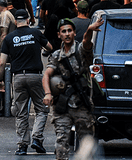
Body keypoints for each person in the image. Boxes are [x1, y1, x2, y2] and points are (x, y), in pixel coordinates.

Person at [42, 17, 103, 160]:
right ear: (59, 35)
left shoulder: (81, 51)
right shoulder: (56, 56)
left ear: (75, 33)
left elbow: (87, 43)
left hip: (82, 105)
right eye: (64, 31)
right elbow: (46, 75)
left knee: (86, 145)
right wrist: (48, 94)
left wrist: (88, 30)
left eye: (70, 30)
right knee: (61, 143)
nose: (67, 34)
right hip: (62, 106)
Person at [0, 9, 53, 155]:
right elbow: (50, 47)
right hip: (35, 76)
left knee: (21, 113)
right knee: (42, 109)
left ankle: (22, 145)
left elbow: (1, 63)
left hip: (18, 78)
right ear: (28, 20)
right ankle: (37, 138)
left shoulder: (9, 38)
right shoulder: (36, 33)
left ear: (16, 21)